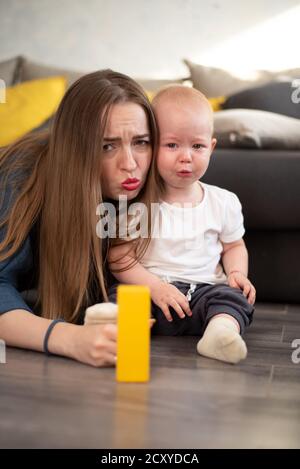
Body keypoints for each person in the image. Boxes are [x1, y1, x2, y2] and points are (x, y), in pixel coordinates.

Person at [0, 69, 159, 367]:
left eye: (141, 142)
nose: (130, 164)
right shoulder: (18, 178)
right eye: (107, 146)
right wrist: (69, 339)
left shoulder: (168, 173)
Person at [108, 85, 256, 364]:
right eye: (172, 145)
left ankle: (220, 333)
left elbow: (234, 245)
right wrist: (155, 287)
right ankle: (125, 335)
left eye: (197, 146)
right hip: (151, 290)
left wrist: (237, 272)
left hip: (204, 292)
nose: (186, 156)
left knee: (233, 299)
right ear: (152, 145)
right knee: (121, 297)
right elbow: (119, 257)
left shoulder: (223, 202)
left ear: (211, 147)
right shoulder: (136, 203)